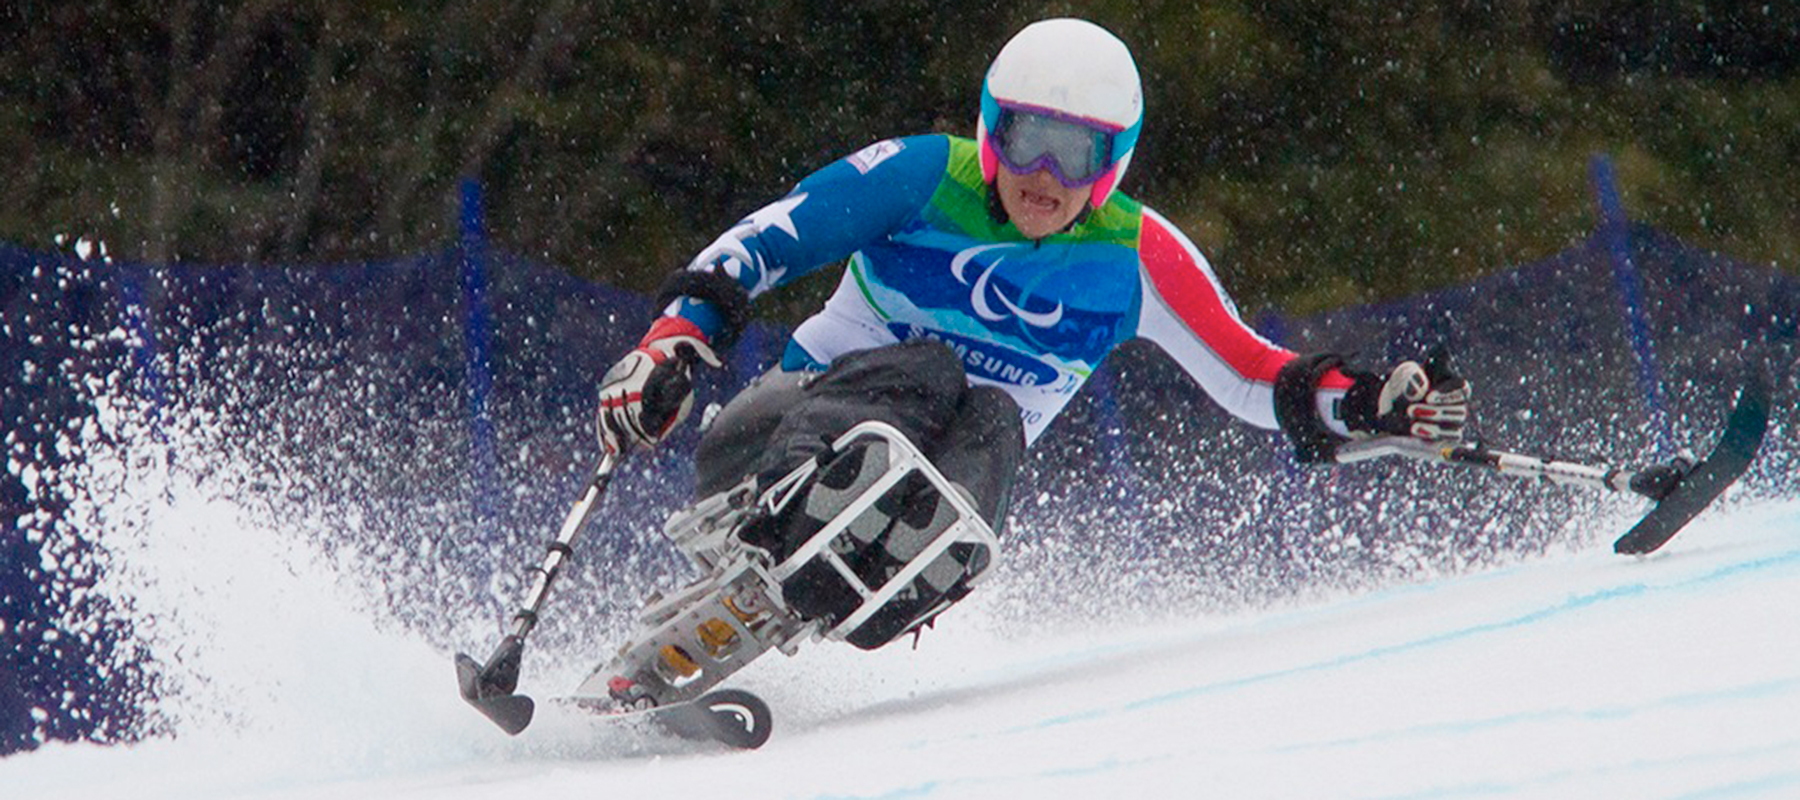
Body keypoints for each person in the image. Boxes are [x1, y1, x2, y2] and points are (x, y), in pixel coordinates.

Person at [595, 18, 1469, 649]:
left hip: (892, 535)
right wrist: (670, 343)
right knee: (935, 371)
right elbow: (762, 244)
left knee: (993, 419)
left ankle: (861, 581)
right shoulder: (925, 175)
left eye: (1075, 153)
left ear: (1112, 162)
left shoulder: (1137, 257)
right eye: (1025, 140)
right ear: (990, 128)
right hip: (768, 449)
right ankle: (779, 522)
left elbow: (1253, 376)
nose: (1043, 175)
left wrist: (1369, 404)